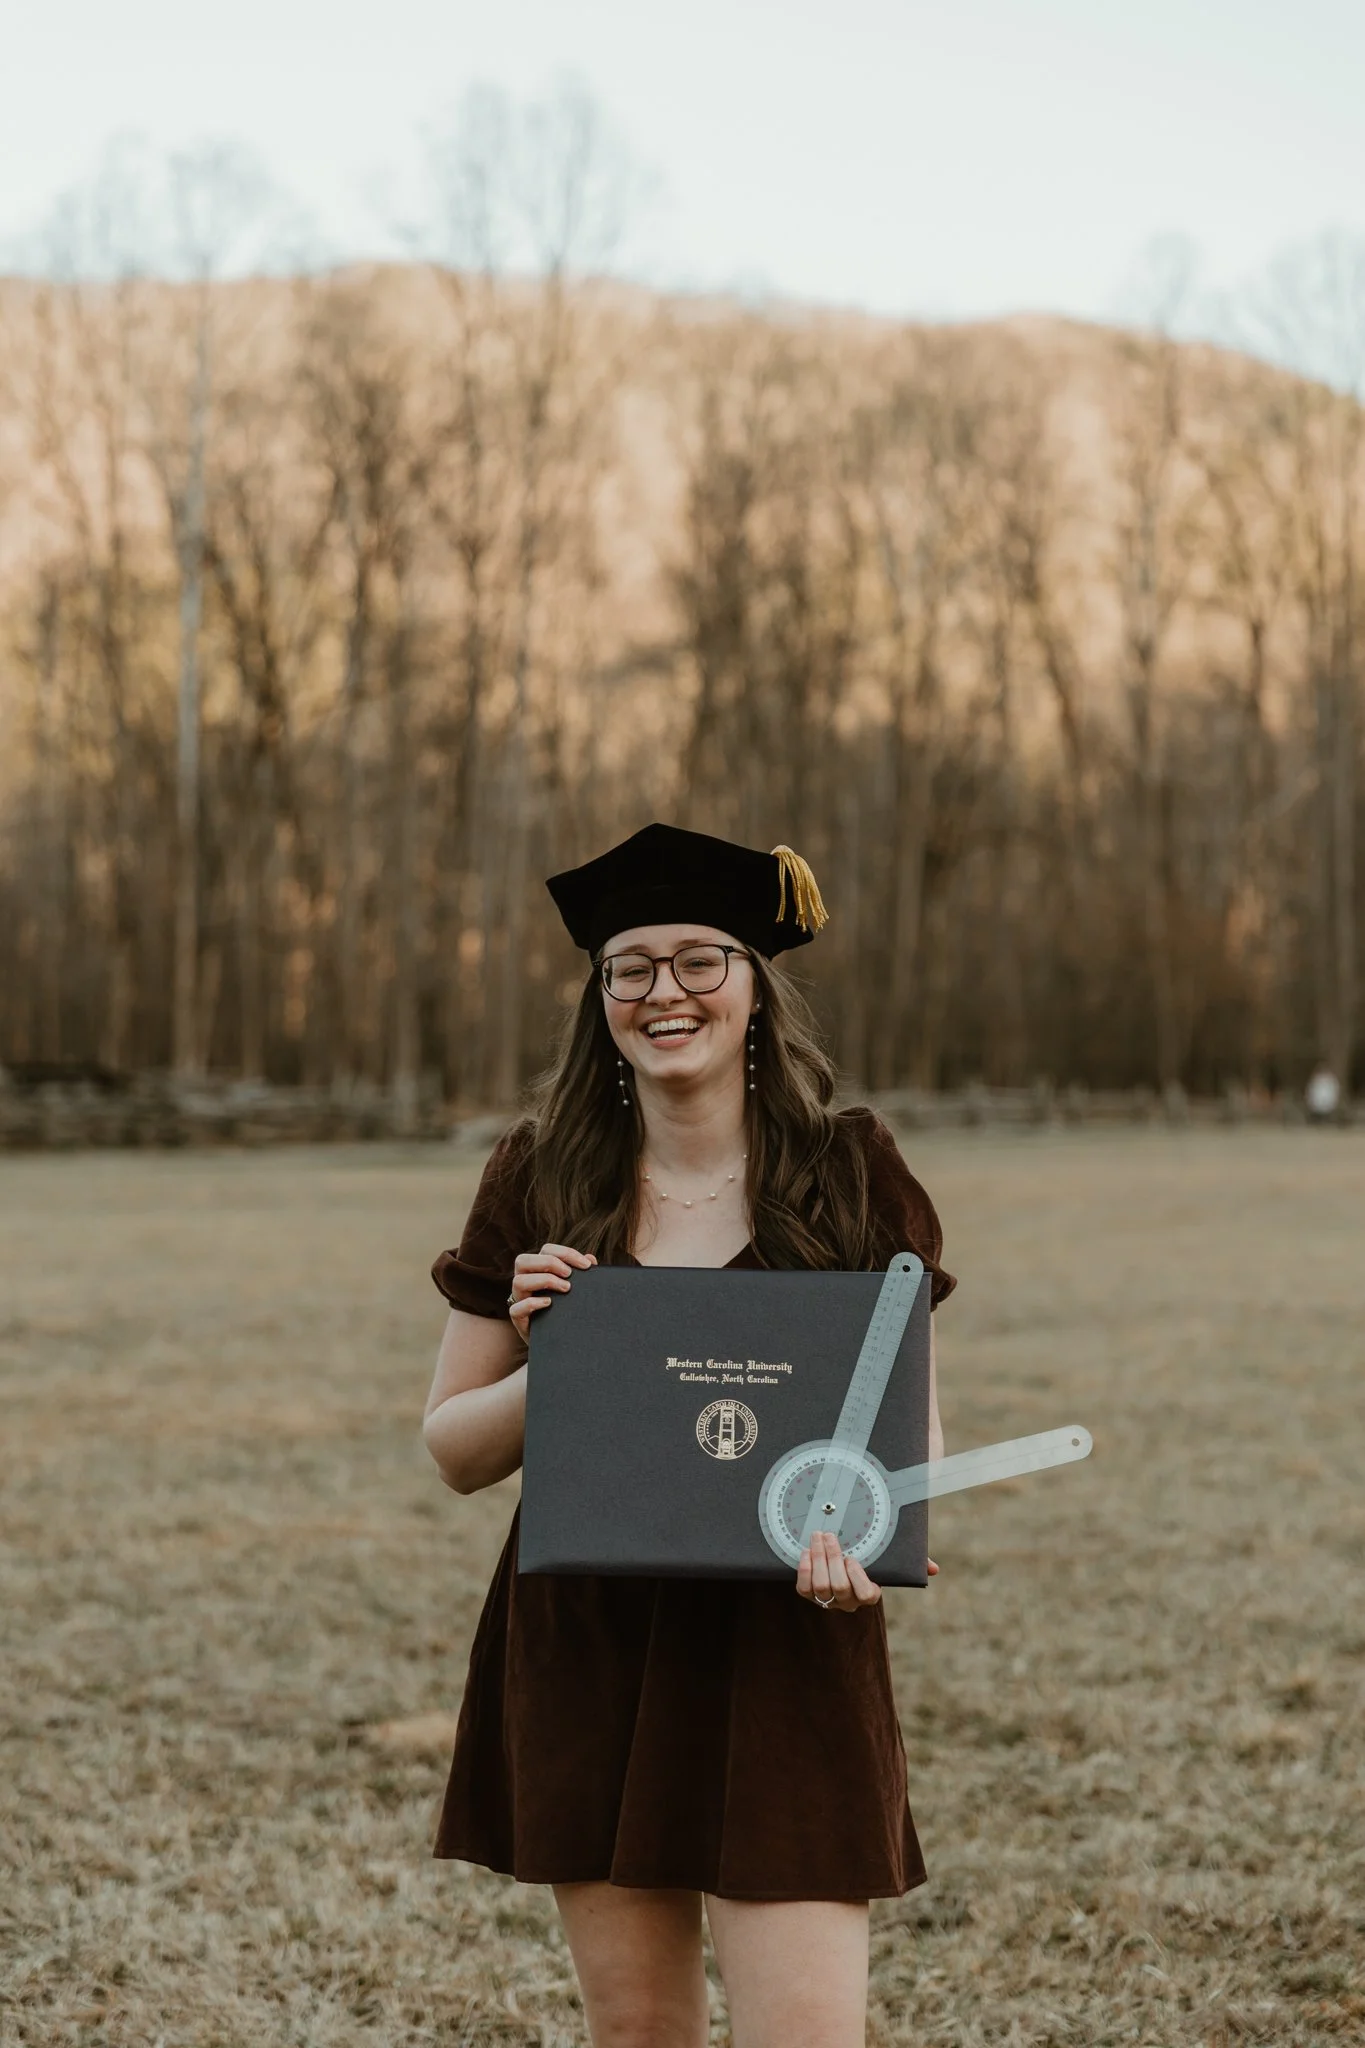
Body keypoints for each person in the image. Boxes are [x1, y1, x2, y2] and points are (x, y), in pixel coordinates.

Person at [422, 823, 955, 2048]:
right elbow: (453, 1448)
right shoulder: (540, 1175)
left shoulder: (849, 1169)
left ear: (757, 985)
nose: (666, 992)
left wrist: (867, 1550)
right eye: (631, 967)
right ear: (599, 996)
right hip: (588, 1638)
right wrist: (554, 1358)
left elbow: (909, 1440)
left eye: (701, 960)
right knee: (642, 2035)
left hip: (789, 1648)